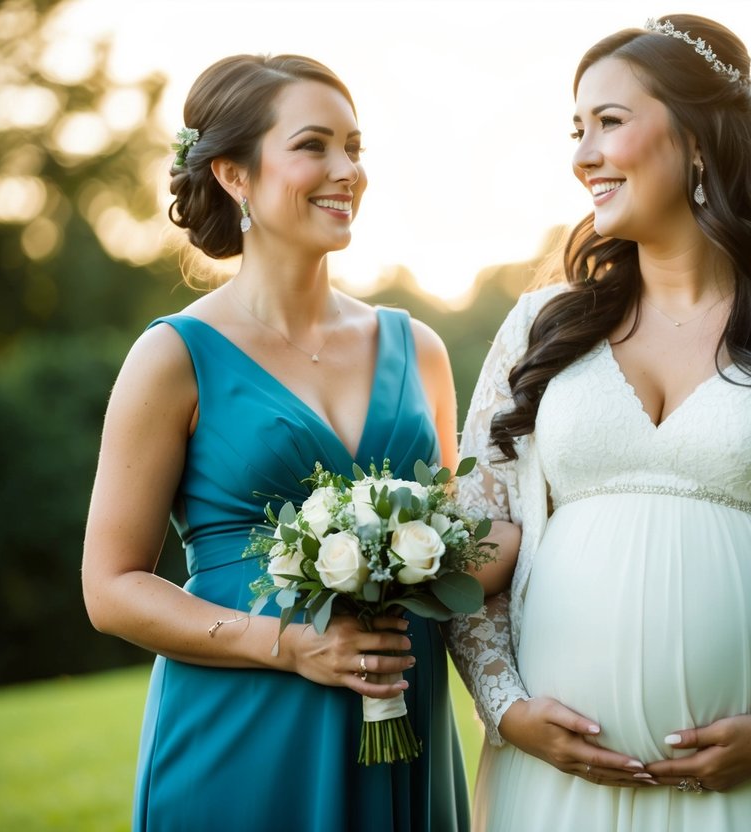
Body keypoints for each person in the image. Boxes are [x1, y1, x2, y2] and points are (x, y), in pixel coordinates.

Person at [446, 15, 751, 831]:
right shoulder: (540, 328)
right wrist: (506, 707)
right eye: (576, 129)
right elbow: (475, 532)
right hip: (561, 786)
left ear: (699, 140)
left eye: (608, 122)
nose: (582, 155)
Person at [82, 54, 515, 831]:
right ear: (233, 174)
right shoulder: (174, 356)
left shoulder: (417, 348)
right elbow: (109, 587)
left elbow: (455, 556)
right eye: (313, 145)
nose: (345, 169)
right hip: (242, 728)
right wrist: (287, 644)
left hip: (402, 723)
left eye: (355, 147)